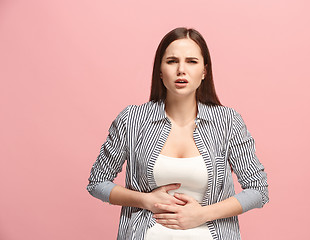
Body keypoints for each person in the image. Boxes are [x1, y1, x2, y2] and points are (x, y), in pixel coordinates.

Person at [87, 27, 269, 240]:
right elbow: (97, 182)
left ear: (204, 71)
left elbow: (258, 190)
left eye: (191, 61)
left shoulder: (228, 122)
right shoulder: (132, 119)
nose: (181, 69)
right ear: (160, 71)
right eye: (172, 61)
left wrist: (202, 214)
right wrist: (146, 201)